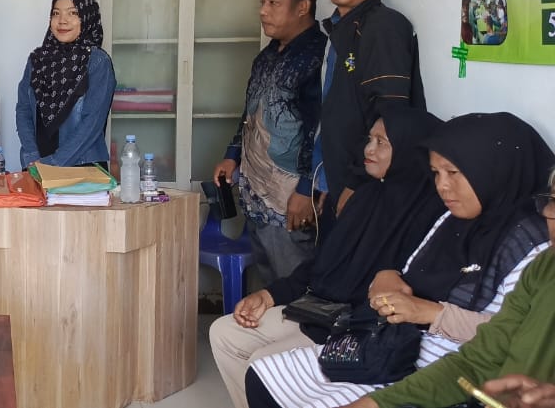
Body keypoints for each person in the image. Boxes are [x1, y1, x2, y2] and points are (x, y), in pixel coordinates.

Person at [246, 112, 553, 408]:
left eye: (453, 173)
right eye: (436, 173)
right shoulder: (448, 220)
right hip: (395, 342)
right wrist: (388, 276)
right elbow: (398, 273)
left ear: (493, 170)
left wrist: (426, 311)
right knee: (263, 378)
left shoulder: (531, 246)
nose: (442, 186)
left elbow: (503, 339)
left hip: (438, 355)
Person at [210, 108, 444, 408]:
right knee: (224, 333)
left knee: (260, 361)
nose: (368, 150)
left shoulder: (430, 215)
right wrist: (269, 296)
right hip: (321, 312)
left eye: (381, 143)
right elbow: (323, 263)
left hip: (357, 328)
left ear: (410, 149)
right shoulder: (368, 196)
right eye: (370, 139)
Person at [339, 170, 555, 408]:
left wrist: (432, 313)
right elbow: (475, 363)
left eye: (454, 172)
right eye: (554, 201)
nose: (442, 185)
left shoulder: (526, 244)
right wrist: (374, 404)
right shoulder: (544, 268)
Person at [213, 0, 327, 282]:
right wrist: (232, 155)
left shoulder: (318, 58)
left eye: (274, 3)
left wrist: (306, 191)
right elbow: (250, 112)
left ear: (303, 7)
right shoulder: (267, 56)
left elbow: (322, 130)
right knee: (268, 280)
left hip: (290, 196)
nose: (263, 11)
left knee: (293, 284)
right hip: (256, 188)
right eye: (262, 2)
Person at [314, 0, 426, 221]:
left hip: (366, 185)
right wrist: (327, 179)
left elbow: (390, 117)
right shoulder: (342, 27)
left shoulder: (383, 27)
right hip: (341, 176)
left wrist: (355, 183)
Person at [15, 0, 114, 168]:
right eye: (56, 13)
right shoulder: (37, 60)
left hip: (82, 167)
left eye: (73, 13)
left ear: (87, 18)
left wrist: (54, 163)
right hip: (37, 165)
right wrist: (32, 156)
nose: (62, 21)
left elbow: (92, 123)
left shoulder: (98, 62)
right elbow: (23, 110)